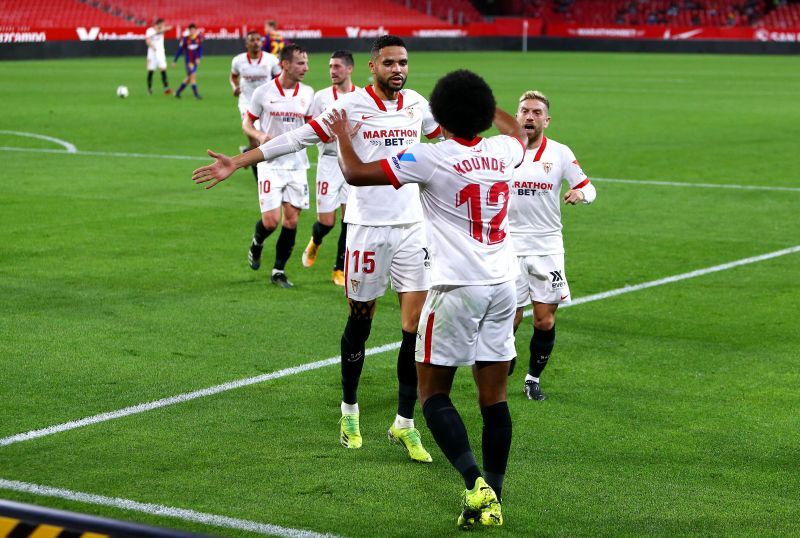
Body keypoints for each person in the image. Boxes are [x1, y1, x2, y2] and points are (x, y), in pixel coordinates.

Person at [191, 35, 442, 462]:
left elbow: (448, 139)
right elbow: (297, 139)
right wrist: (242, 159)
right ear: (372, 67)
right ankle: (349, 411)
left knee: (414, 329)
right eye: (389, 63)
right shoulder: (349, 108)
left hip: (413, 229)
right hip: (366, 230)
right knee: (360, 323)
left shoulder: (418, 104)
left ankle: (405, 422)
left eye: (403, 63)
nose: (398, 70)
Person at [322, 69, 526, 529]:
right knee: (493, 399)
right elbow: (514, 129)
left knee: (433, 393)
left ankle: (476, 484)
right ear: (482, 111)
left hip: (456, 289)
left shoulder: (430, 157)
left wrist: (341, 137)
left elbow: (355, 174)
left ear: (440, 114)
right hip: (504, 287)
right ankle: (496, 495)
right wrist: (487, 100)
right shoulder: (503, 149)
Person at [508, 90, 597, 401]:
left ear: (546, 119)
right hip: (508, 247)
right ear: (516, 116)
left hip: (547, 248)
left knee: (544, 319)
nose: (530, 117)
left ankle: (532, 378)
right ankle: (505, 358)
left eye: (536, 112)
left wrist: (580, 195)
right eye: (524, 111)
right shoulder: (502, 151)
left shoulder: (559, 153)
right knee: (510, 318)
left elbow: (589, 187)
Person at [238, 44, 314, 288]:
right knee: (270, 222)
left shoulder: (308, 93)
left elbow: (313, 127)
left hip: (297, 166)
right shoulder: (263, 92)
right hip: (270, 164)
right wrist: (259, 136)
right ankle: (257, 242)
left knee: (291, 222)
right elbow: (247, 123)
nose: (306, 67)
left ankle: (278, 271)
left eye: (306, 63)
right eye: (301, 63)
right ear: (285, 64)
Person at [301, 50, 358, 287]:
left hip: (352, 164)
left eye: (336, 67)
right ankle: (316, 240)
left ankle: (339, 268)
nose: (332, 71)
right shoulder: (322, 97)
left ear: (349, 69)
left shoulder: (362, 97)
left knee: (350, 219)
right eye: (330, 67)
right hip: (329, 163)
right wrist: (335, 135)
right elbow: (311, 130)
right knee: (326, 222)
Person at [230, 31, 281, 179]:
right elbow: (233, 76)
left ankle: (247, 153)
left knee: (264, 140)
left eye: (258, 40)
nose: (256, 42)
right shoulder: (238, 61)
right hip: (246, 103)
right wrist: (234, 87)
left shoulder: (270, 59)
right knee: (255, 140)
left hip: (265, 104)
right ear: (247, 44)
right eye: (252, 40)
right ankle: (260, 176)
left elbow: (279, 78)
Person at [173, 24, 203, 100]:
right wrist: (175, 61)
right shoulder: (185, 39)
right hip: (188, 61)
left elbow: (200, 49)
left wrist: (199, 58)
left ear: (195, 30)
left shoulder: (198, 38)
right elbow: (180, 50)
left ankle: (177, 92)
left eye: (194, 30)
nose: (192, 31)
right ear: (189, 31)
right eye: (191, 30)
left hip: (195, 61)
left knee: (189, 78)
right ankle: (196, 95)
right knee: (193, 76)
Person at [145, 18, 172, 95]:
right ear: (158, 24)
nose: (163, 25)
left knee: (163, 69)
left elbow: (169, 28)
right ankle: (149, 89)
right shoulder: (149, 31)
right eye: (162, 24)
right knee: (151, 70)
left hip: (160, 53)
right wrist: (152, 46)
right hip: (152, 53)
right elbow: (147, 41)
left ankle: (166, 89)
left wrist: (162, 29)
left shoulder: (162, 29)